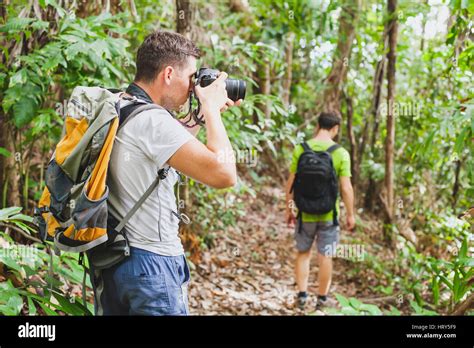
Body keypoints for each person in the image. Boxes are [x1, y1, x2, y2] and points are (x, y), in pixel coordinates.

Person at [92, 30, 241, 315]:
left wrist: (201, 116)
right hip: (152, 266)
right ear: (169, 74)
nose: (193, 87)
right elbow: (225, 174)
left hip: (115, 260)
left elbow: (167, 144)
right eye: (191, 78)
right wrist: (210, 109)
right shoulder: (152, 121)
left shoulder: (121, 105)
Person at [285, 111, 355, 311]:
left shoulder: (301, 148)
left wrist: (290, 208)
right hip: (328, 214)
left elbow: (290, 183)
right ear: (335, 129)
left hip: (304, 211)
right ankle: (321, 301)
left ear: (318, 126)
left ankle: (302, 296)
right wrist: (350, 214)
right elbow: (346, 188)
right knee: (325, 256)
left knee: (303, 252)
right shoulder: (341, 153)